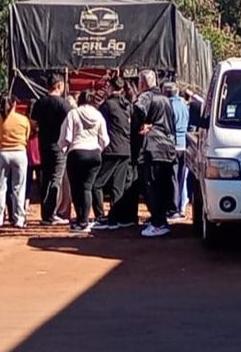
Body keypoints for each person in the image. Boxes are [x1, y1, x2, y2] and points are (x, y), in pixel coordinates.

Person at [131, 70, 178, 238]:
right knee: (164, 185)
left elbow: (137, 107)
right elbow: (171, 123)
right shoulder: (166, 99)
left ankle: (158, 222)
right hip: (167, 147)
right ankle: (161, 219)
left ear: (142, 84)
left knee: (151, 186)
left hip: (152, 147)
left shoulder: (146, 97)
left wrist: (140, 126)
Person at [60, 89, 110, 233]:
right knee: (87, 187)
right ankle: (84, 221)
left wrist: (64, 150)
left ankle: (81, 221)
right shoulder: (99, 115)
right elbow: (105, 139)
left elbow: (66, 137)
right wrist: (97, 149)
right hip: (94, 154)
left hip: (76, 153)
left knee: (76, 188)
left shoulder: (73, 113)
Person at [92, 79, 135, 230]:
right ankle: (116, 217)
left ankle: (101, 217)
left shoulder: (107, 105)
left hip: (112, 149)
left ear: (111, 87)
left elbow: (100, 124)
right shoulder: (127, 104)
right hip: (126, 149)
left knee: (96, 184)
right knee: (118, 186)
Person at [31, 77, 71, 225]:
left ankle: (46, 214)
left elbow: (34, 124)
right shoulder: (64, 104)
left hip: (44, 145)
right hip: (59, 146)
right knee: (56, 179)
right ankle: (52, 213)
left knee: (46, 178)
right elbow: (70, 124)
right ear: (59, 85)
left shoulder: (39, 102)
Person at [0, 94, 31, 228]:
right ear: (14, 105)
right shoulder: (23, 119)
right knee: (18, 187)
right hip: (19, 152)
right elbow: (27, 135)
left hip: (2, 153)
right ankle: (19, 218)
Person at [164, 82, 190, 219]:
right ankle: (182, 207)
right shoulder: (184, 105)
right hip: (184, 144)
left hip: (172, 145)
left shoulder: (168, 106)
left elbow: (168, 126)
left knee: (172, 178)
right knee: (182, 177)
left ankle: (173, 208)